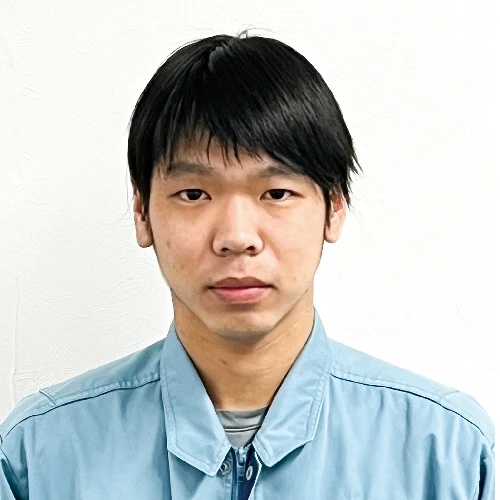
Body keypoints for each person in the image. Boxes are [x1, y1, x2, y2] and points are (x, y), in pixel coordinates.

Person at [0, 31, 494, 499]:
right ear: (142, 213)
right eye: (194, 194)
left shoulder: (445, 452)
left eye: (276, 193)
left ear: (334, 208)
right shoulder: (39, 456)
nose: (237, 237)